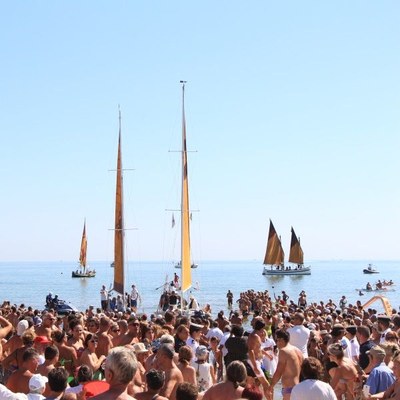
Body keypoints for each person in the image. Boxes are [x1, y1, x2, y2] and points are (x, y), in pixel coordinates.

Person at [270, 329, 303, 400]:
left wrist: (271, 386)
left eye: (277, 340)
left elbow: (279, 372)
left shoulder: (284, 351)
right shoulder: (297, 350)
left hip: (289, 389)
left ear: (281, 340)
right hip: (298, 387)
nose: (276, 343)